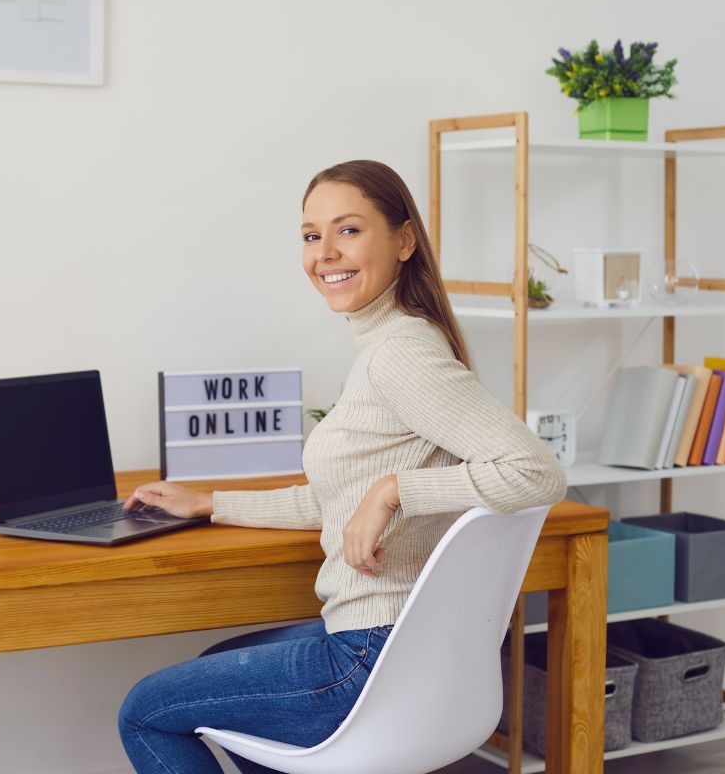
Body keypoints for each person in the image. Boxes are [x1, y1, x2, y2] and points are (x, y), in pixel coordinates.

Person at [116, 160, 567, 774]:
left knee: (143, 711)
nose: (325, 253)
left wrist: (395, 491)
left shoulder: (401, 355)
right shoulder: (392, 344)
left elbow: (536, 471)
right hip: (409, 654)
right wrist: (210, 503)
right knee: (220, 662)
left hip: (369, 654)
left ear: (404, 240)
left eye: (347, 231)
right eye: (310, 236)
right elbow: (337, 500)